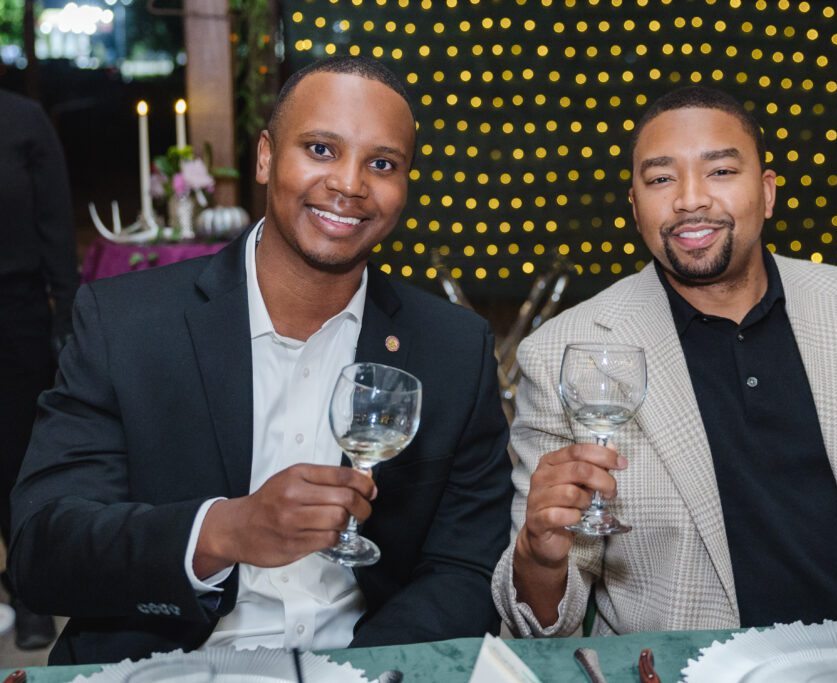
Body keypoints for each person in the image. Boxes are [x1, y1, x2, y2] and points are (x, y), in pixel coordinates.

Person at [9, 57, 513, 664]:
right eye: (322, 149)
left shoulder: (454, 349)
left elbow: (464, 569)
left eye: (382, 164)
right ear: (266, 157)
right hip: (162, 666)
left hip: (362, 665)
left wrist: (352, 676)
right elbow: (44, 551)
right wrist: (223, 531)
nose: (350, 184)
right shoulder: (127, 324)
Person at [492, 85, 837, 637]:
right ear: (635, 206)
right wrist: (540, 555)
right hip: (693, 673)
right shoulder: (565, 353)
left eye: (720, 172)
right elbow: (543, 622)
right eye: (660, 179)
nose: (690, 199)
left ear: (766, 193)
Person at [0, 88, 77, 650]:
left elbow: (55, 221)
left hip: (15, 313)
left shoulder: (22, 119)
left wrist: (68, 317)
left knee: (14, 450)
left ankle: (27, 590)